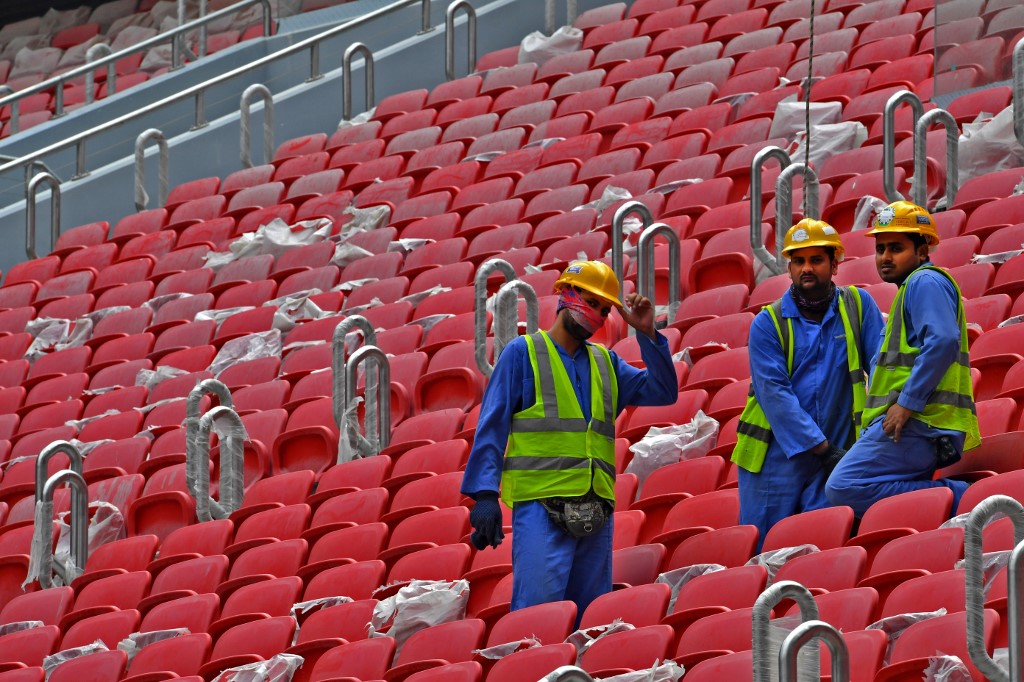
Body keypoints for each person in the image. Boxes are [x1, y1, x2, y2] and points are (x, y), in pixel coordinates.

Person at [461, 260, 677, 623]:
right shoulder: (522, 353)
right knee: (538, 620)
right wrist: (484, 494)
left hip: (597, 510)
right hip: (541, 509)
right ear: (565, 293)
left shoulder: (606, 363)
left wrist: (647, 335)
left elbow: (664, 390)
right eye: (591, 303)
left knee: (590, 623)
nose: (597, 315)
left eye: (605, 310)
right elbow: (491, 425)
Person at [732, 218, 884, 548]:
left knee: (823, 544)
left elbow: (884, 368)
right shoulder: (767, 323)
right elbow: (776, 397)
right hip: (773, 461)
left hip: (836, 450)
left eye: (816, 259)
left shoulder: (858, 306)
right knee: (767, 551)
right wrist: (825, 449)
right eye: (799, 261)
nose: (807, 268)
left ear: (835, 263)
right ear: (788, 267)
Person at [826, 201, 980, 515]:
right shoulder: (910, 289)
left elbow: (943, 340)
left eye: (896, 248)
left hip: (919, 423)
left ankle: (960, 497)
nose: (884, 257)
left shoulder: (925, 281)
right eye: (880, 248)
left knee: (844, 485)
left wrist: (907, 403)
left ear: (922, 251)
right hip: (912, 425)